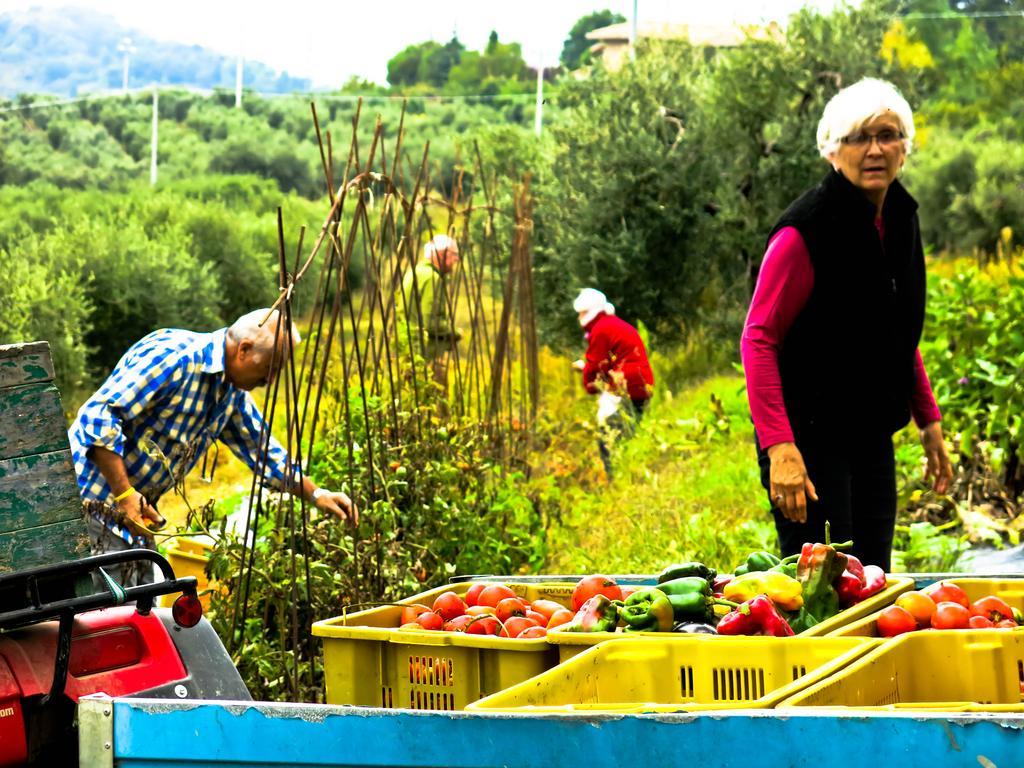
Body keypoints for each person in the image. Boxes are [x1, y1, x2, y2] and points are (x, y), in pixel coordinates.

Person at [740, 78, 953, 571]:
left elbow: (893, 329)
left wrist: (928, 418)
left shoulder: (900, 216)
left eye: (888, 134)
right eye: (858, 138)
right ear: (832, 152)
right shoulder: (805, 231)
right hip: (808, 439)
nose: (875, 149)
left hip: (870, 431)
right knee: (823, 587)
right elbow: (758, 338)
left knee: (872, 576)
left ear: (905, 147)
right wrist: (780, 449)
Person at [69, 308, 358, 586]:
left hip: (133, 516)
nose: (270, 380)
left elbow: (263, 452)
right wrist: (126, 494)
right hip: (86, 506)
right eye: (271, 367)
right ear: (243, 349)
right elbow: (98, 416)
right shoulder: (174, 358)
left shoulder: (229, 392)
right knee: (111, 619)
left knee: (143, 612)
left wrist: (317, 494)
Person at [572, 288, 654, 478]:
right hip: (640, 384)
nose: (579, 319)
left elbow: (596, 365)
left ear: (591, 312)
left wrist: (586, 377)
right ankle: (631, 474)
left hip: (626, 387)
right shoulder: (612, 324)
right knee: (630, 432)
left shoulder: (600, 330)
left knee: (609, 437)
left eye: (582, 313)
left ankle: (616, 479)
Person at [401, 234, 462, 384]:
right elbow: (431, 322)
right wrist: (453, 333)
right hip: (427, 356)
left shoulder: (414, 272)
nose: (456, 260)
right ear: (442, 254)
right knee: (435, 402)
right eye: (454, 255)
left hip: (408, 351)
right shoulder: (433, 279)